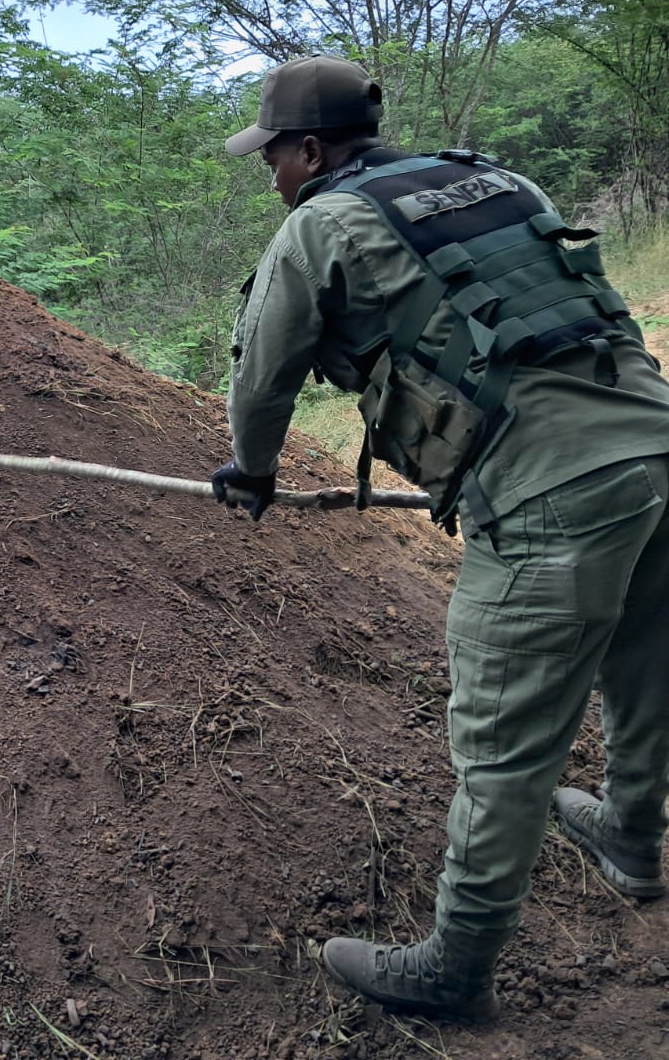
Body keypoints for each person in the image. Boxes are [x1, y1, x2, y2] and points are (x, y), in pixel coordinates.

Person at [211, 55, 669, 1021]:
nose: (271, 176)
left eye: (273, 158)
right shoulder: (499, 178)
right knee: (646, 661)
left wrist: (251, 472)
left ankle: (455, 970)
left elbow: (262, 375)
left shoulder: (320, 226)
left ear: (307, 148)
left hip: (552, 495)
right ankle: (632, 837)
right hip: (659, 444)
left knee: (503, 745)